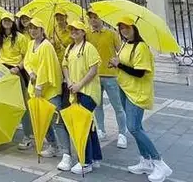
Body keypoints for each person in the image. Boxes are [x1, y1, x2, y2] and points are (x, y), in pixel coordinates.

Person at [113, 17, 171, 182]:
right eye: (121, 28)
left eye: (127, 27)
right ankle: (146, 160)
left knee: (133, 128)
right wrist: (116, 63)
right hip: (125, 88)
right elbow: (124, 64)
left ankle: (159, 162)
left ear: (134, 29)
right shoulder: (125, 44)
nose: (124, 30)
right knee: (136, 127)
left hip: (137, 92)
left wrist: (119, 65)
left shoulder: (141, 47)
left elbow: (140, 72)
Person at [61, 18, 103, 173]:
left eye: (77, 30)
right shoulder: (70, 48)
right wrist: (69, 81)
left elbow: (93, 70)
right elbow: (64, 65)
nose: (74, 32)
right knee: (89, 125)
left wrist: (80, 84)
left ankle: (85, 162)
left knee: (81, 126)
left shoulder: (89, 48)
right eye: (71, 30)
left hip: (88, 92)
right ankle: (95, 157)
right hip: (74, 90)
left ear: (83, 32)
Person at [23, 17, 64, 159]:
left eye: (36, 28)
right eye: (31, 28)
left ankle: (66, 151)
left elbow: (45, 67)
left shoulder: (46, 46)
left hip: (49, 88)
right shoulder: (30, 44)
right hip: (35, 86)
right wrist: (30, 73)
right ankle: (53, 145)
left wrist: (39, 85)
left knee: (56, 119)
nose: (33, 31)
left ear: (41, 30)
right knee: (41, 119)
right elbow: (27, 61)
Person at [86, 10, 127, 148]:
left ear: (101, 18)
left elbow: (121, 51)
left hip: (110, 75)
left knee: (117, 106)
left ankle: (122, 133)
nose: (93, 20)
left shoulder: (111, 33)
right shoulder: (87, 34)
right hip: (95, 75)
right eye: (91, 18)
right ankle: (101, 130)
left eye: (95, 17)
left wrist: (117, 60)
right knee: (98, 105)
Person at [0, 13, 32, 149]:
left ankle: (28, 136)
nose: (7, 22)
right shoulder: (0, 38)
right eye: (5, 20)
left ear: (13, 22)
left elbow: (27, 57)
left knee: (22, 104)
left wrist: (18, 67)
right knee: (3, 103)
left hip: (16, 72)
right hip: (2, 72)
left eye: (9, 20)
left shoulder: (20, 38)